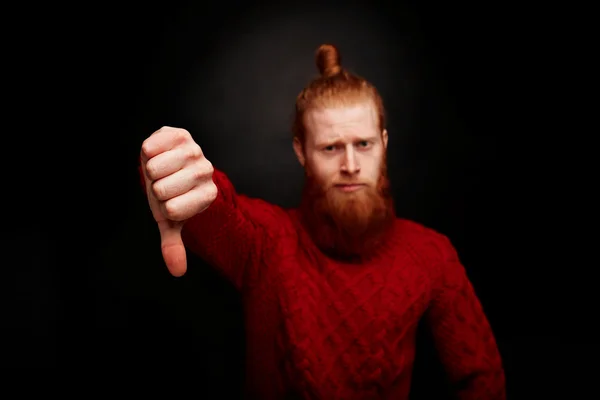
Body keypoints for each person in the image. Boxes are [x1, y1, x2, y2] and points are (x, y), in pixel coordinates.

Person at [138, 44, 506, 399]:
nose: (350, 165)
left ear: (384, 143)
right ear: (301, 151)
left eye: (363, 144)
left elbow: (482, 379)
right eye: (330, 147)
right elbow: (216, 207)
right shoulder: (267, 239)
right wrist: (172, 165)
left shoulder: (431, 253)